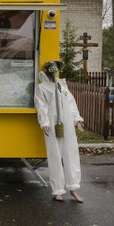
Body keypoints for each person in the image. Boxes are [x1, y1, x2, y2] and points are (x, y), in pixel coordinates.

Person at [35, 61, 85, 203]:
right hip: (51, 123)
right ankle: (57, 190)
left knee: (71, 152)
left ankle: (73, 188)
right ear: (46, 71)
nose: (53, 71)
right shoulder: (41, 88)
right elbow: (41, 106)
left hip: (67, 122)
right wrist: (44, 122)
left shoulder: (62, 86)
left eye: (55, 69)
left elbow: (71, 103)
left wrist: (77, 119)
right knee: (55, 155)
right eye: (51, 69)